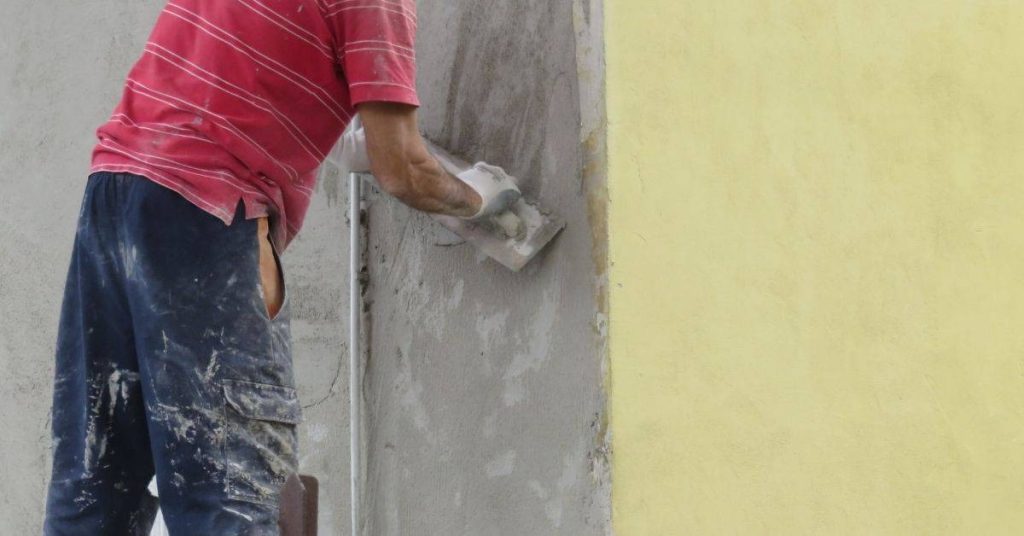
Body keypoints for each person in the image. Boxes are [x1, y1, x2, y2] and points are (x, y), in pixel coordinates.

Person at [42, 0, 520, 534]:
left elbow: (250, 68)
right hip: (208, 209)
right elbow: (402, 167)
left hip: (115, 193)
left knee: (96, 481)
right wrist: (482, 202)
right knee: (231, 492)